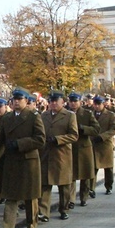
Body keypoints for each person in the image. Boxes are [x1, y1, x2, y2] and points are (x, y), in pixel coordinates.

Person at [0, 88, 46, 228]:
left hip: (28, 161)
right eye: (14, 99)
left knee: (29, 196)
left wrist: (20, 144)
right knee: (10, 196)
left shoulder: (33, 116)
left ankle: (31, 224)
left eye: (20, 99)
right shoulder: (7, 118)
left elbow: (40, 139)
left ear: (26, 101)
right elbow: (0, 141)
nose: (16, 102)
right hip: (11, 161)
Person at [39, 90, 78, 221]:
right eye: (51, 101)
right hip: (46, 154)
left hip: (62, 155)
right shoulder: (43, 115)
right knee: (45, 184)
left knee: (64, 185)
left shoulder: (69, 116)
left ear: (62, 102)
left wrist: (58, 139)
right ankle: (44, 212)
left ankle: (64, 209)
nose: (53, 103)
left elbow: (74, 135)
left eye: (56, 101)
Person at [68, 93, 100, 206]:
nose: (73, 103)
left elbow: (96, 129)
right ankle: (70, 199)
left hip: (84, 147)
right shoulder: (65, 114)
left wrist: (83, 129)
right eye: (71, 101)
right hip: (70, 147)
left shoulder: (87, 114)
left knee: (85, 175)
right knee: (70, 175)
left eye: (75, 101)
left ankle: (83, 197)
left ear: (80, 102)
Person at [90, 96, 115, 196]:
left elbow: (113, 129)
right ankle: (91, 188)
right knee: (93, 167)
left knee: (108, 167)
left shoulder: (110, 115)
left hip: (105, 144)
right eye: (95, 104)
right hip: (93, 143)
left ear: (103, 104)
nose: (96, 106)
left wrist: (102, 136)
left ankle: (109, 186)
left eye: (98, 104)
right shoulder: (90, 114)